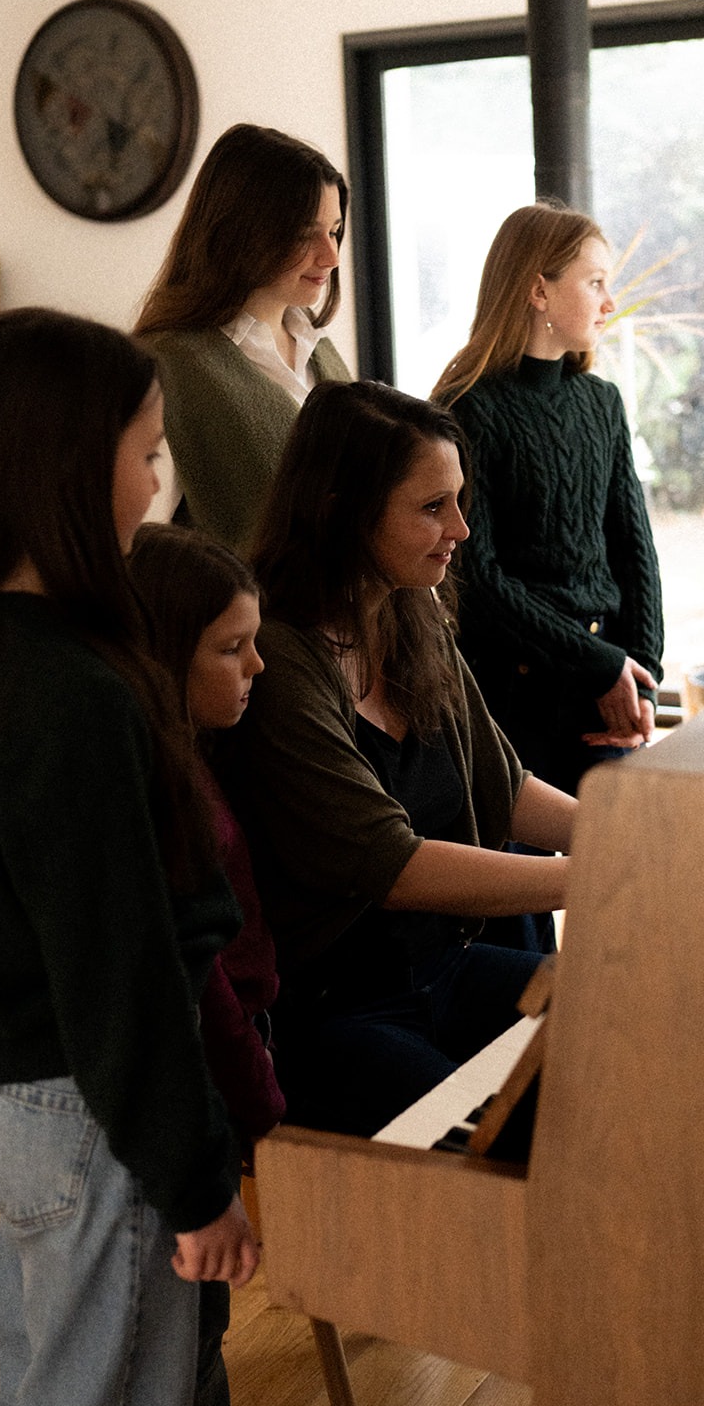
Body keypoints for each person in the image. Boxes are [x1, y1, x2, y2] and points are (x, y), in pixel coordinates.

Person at [0, 308, 258, 1406]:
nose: (159, 482)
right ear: (76, 469)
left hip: (13, 1095)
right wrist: (197, 1179)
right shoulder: (68, 692)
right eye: (148, 452)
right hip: (92, 1109)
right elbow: (118, 971)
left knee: (50, 1387)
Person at [236, 380, 578, 1138]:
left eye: (457, 500)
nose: (460, 527)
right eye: (432, 507)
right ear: (337, 509)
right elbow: (391, 867)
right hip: (335, 1012)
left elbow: (505, 785)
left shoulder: (409, 610)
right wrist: (598, 877)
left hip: (443, 971)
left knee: (624, 1033)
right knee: (507, 1138)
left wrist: (641, 834)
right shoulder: (278, 658)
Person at [129, 522, 283, 1406]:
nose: (258, 666)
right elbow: (205, 990)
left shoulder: (197, 760)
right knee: (179, 1336)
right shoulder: (161, 786)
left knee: (196, 1335)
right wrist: (262, 1105)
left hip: (234, 1057)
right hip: (206, 1076)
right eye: (231, 649)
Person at [432, 200, 664, 798]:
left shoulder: (601, 404)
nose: (610, 302)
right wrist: (601, 663)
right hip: (514, 695)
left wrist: (640, 677)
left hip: (605, 691)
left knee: (618, 883)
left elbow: (634, 554)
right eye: (595, 283)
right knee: (521, 888)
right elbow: (475, 581)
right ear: (539, 291)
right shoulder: (468, 408)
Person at [135, 122, 355, 552]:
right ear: (241, 231)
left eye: (333, 231)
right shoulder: (169, 365)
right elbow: (142, 543)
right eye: (304, 234)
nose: (330, 256)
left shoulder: (320, 352)